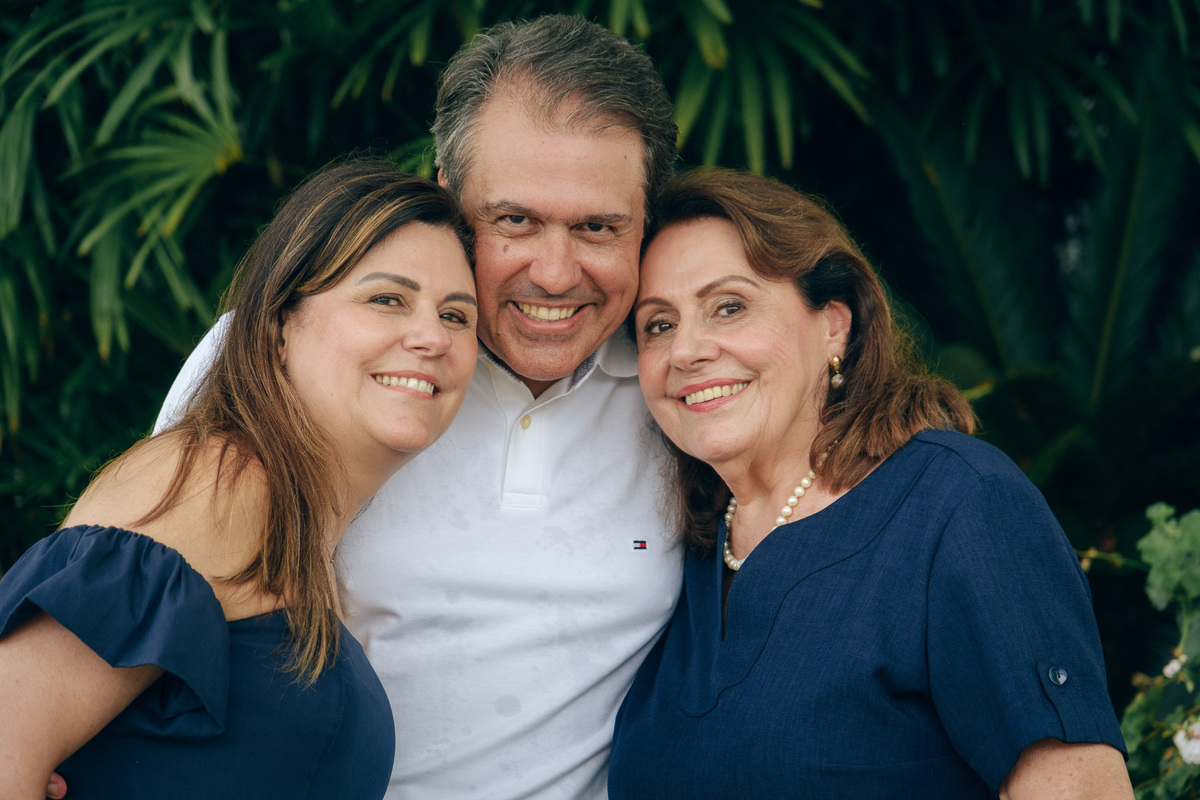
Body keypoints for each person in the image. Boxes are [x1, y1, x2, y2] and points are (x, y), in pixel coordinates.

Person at [153, 15, 685, 800]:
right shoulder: (296, 348)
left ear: (646, 224)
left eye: (598, 227)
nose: (555, 272)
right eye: (514, 220)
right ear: (446, 196)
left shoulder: (687, 385)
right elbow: (135, 588)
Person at [608, 168, 1134, 799]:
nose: (686, 350)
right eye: (658, 324)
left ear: (834, 323)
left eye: (729, 307)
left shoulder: (960, 507)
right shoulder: (681, 545)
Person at [0, 160, 480, 800]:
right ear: (279, 325)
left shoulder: (301, 537)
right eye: (386, 299)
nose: (432, 337)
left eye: (457, 316)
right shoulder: (215, 482)